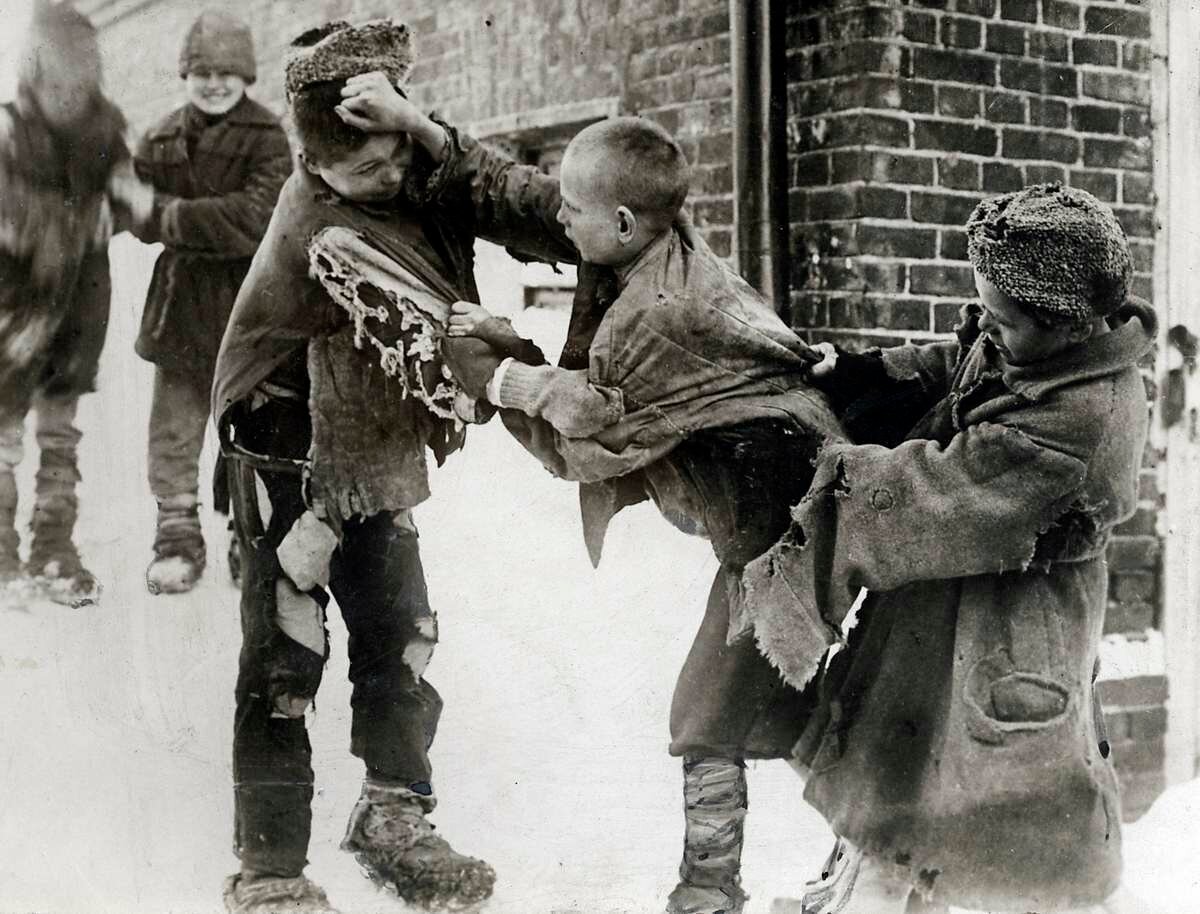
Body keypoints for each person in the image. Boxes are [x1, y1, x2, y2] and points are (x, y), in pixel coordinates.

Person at [376, 111, 845, 914]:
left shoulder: (660, 311)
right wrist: (511, 340)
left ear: (622, 222)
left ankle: (711, 892)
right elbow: (539, 219)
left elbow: (594, 422)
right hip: (770, 516)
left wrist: (497, 374)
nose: (558, 221)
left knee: (707, 713)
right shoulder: (645, 248)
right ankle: (857, 851)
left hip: (782, 526)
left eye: (572, 211)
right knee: (762, 705)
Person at [209, 19, 566, 914]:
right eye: (372, 172)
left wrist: (430, 137)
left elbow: (529, 208)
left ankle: (393, 815)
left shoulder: (409, 156)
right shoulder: (330, 230)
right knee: (287, 648)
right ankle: (270, 868)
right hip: (286, 434)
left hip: (372, 433)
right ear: (316, 164)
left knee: (399, 628)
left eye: (401, 158)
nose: (396, 181)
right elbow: (448, 340)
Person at [740, 184, 1151, 913]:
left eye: (1004, 321)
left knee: (999, 816)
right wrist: (869, 372)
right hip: (949, 608)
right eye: (983, 312)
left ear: (1065, 323)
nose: (986, 331)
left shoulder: (1084, 419)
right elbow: (961, 356)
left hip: (1012, 631)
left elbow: (936, 494)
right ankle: (871, 889)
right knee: (905, 777)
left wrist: (829, 469)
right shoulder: (1035, 345)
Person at [129, 9, 290, 595]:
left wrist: (169, 217)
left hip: (249, 305)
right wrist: (151, 215)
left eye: (227, 71)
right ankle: (175, 537)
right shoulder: (161, 135)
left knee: (252, 426)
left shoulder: (268, 136)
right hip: (178, 306)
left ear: (246, 75)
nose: (214, 82)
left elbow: (253, 220)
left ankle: (249, 536)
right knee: (172, 429)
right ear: (185, 74)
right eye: (202, 70)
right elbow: (129, 203)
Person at [0, 0, 146, 606]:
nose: (65, 94)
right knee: (4, 432)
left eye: (77, 80)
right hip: (12, 308)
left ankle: (54, 545)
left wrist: (124, 203)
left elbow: (131, 204)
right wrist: (67, 222)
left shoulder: (107, 132)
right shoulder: (8, 132)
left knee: (60, 433)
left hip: (80, 308)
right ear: (32, 75)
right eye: (53, 80)